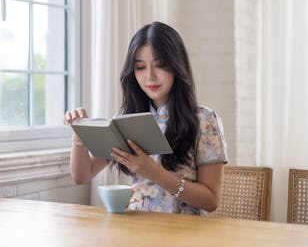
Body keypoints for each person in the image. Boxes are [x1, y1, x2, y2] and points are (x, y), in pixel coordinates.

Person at [64, 21, 227, 215]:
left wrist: (154, 173)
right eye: (140, 67)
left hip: (184, 234)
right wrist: (79, 134)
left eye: (160, 65)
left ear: (177, 67)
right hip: (135, 229)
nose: (150, 76)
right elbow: (81, 175)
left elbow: (211, 201)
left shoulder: (204, 120)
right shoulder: (125, 119)